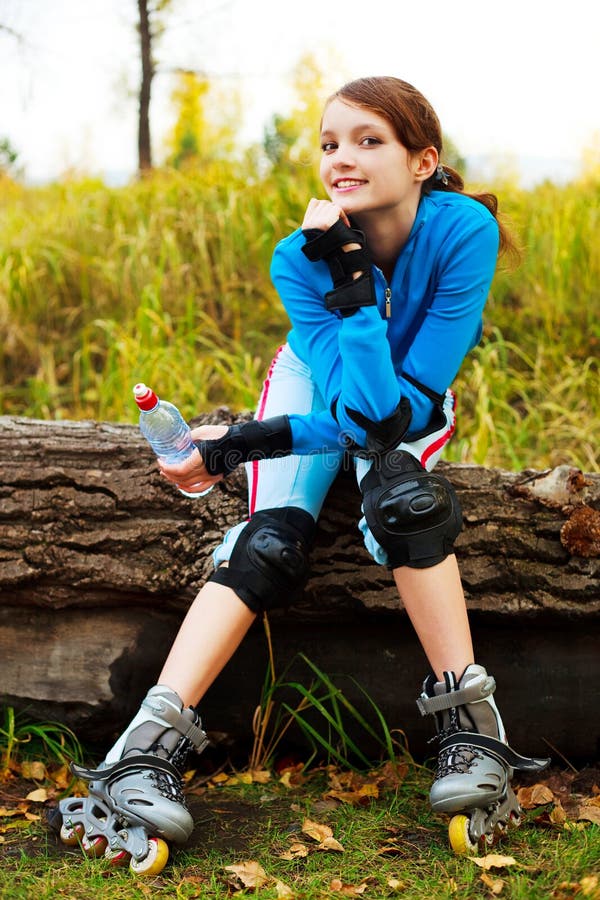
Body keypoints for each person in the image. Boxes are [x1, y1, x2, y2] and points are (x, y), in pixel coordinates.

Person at [52, 76, 548, 871]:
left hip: (410, 397)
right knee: (269, 546)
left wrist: (243, 438)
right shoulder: (295, 258)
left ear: (423, 161)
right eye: (328, 144)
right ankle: (139, 751)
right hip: (322, 383)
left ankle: (475, 731)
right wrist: (338, 295)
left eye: (367, 140)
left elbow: (392, 417)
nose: (340, 159)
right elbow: (348, 404)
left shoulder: (464, 231)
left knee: (407, 505)